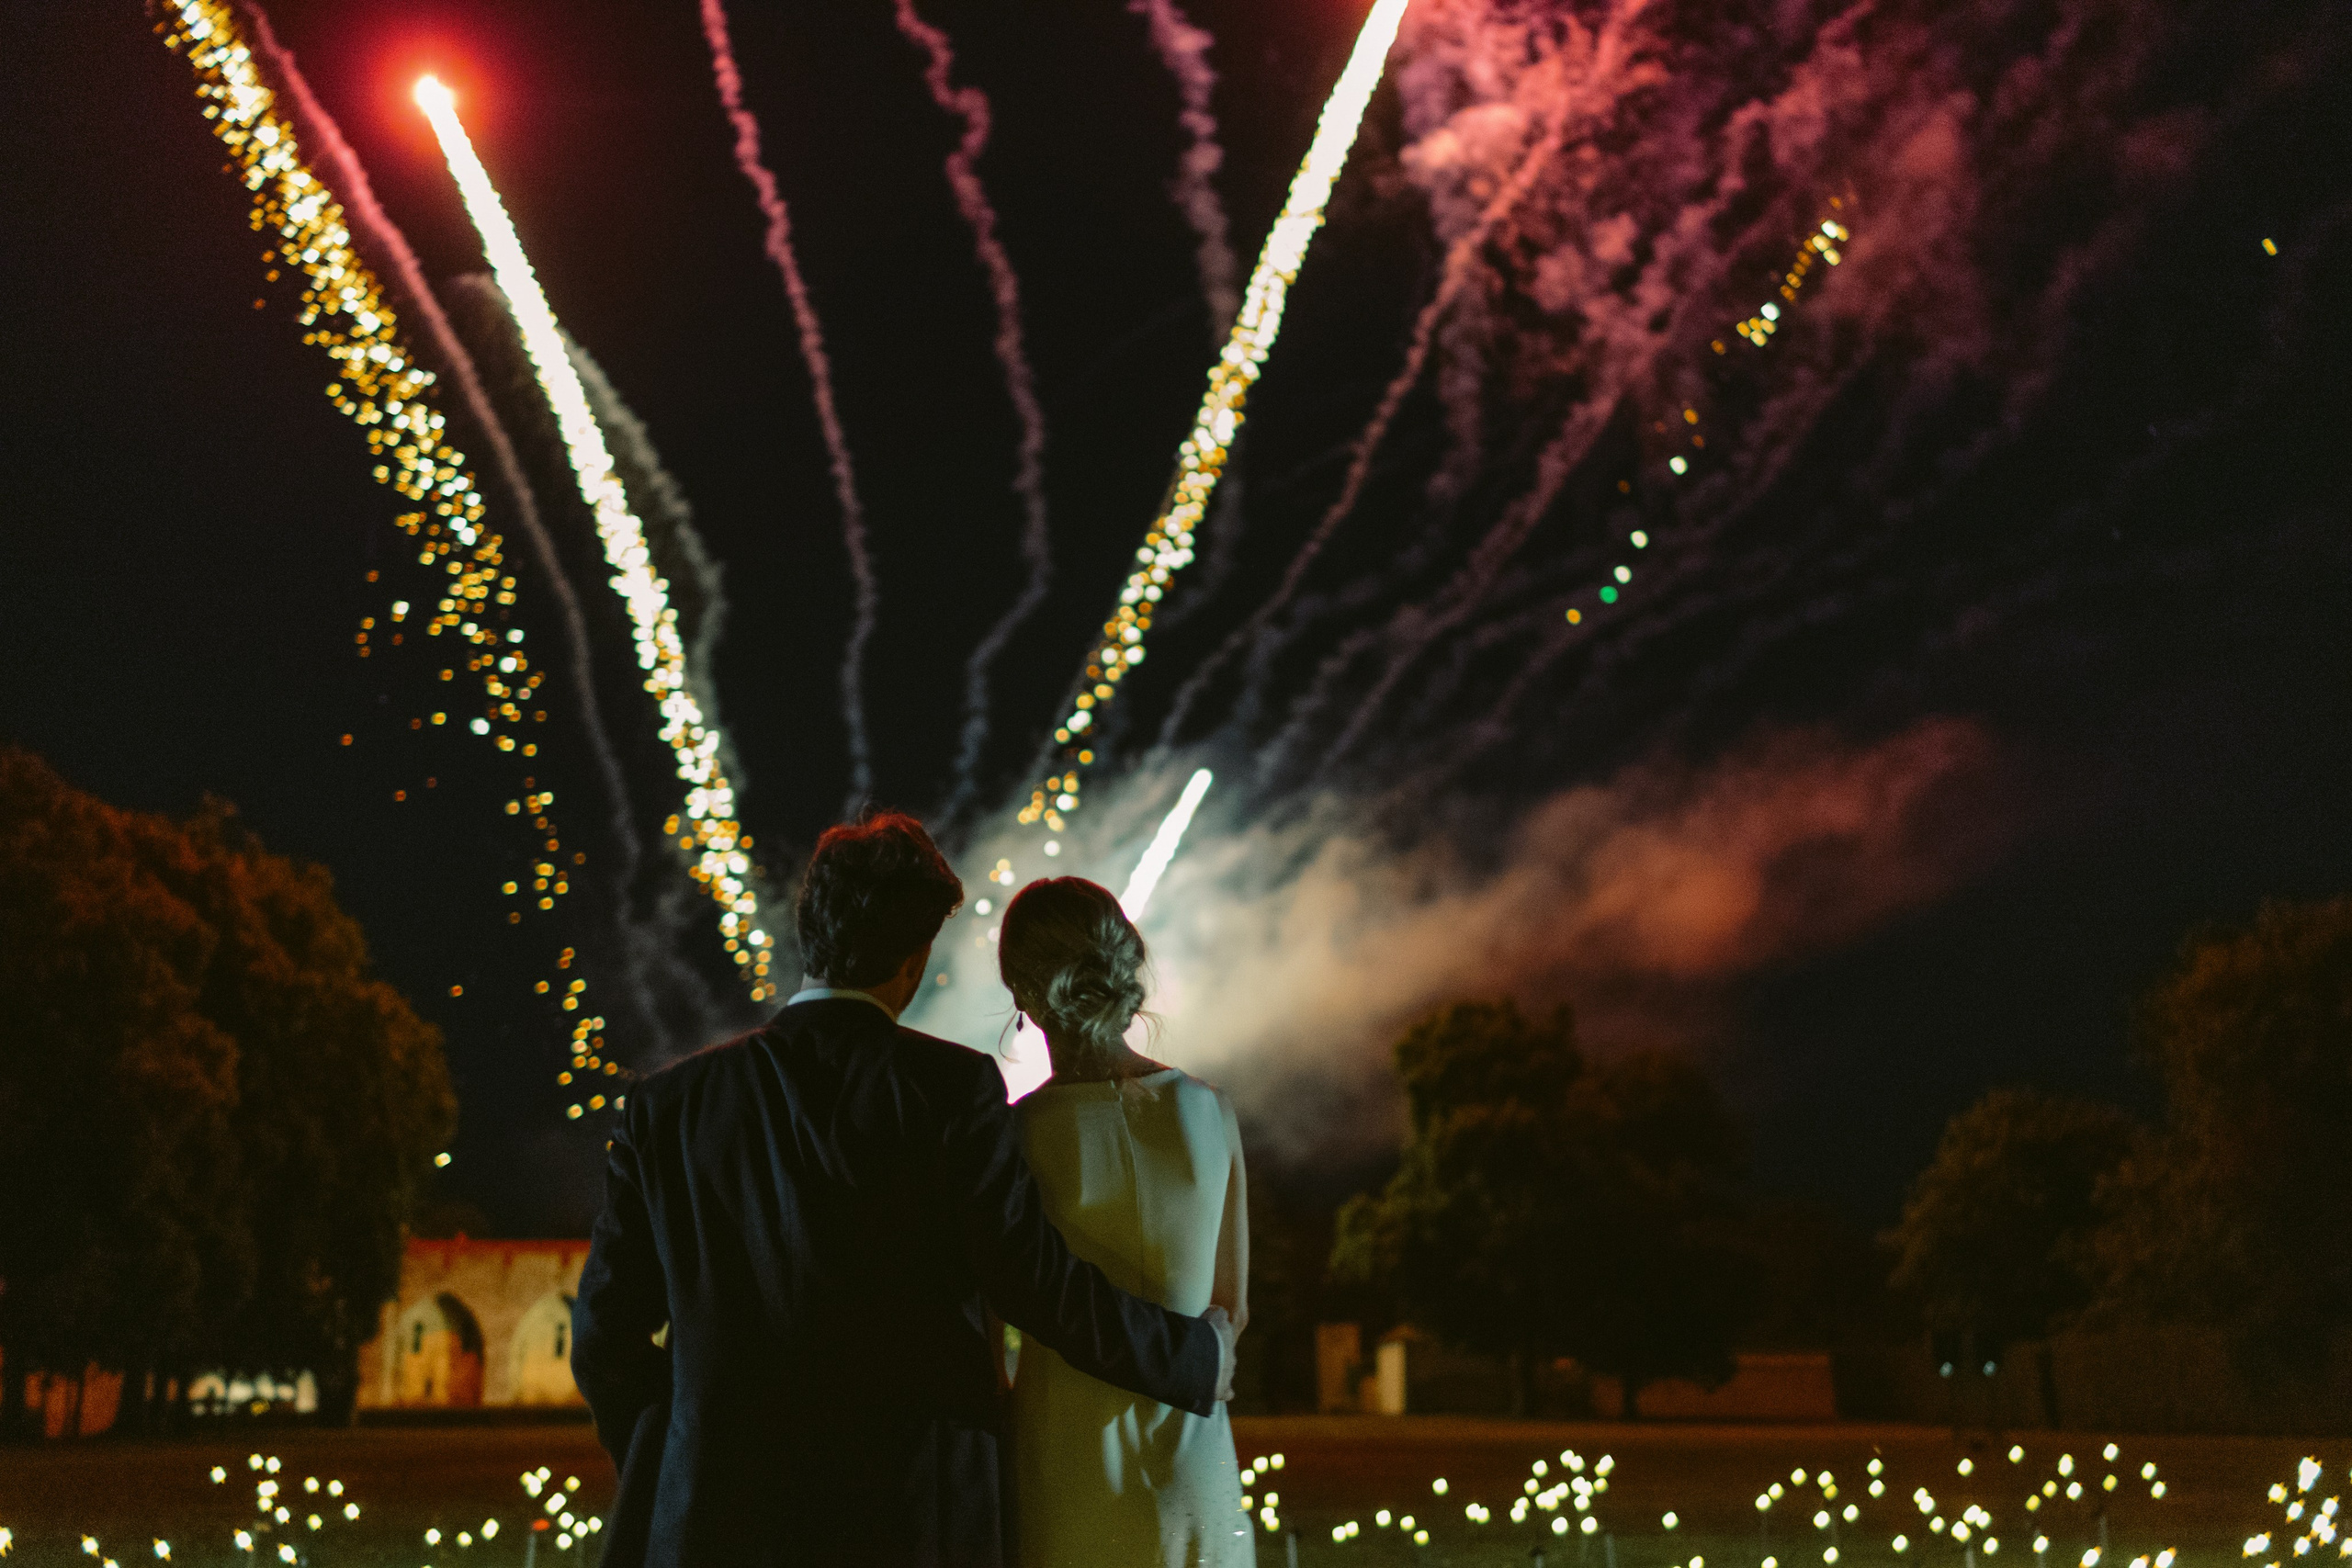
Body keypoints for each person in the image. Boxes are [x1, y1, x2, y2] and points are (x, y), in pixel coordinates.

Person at [571, 813, 1237, 1568]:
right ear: (912, 960)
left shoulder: (668, 1106)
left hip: (716, 1524)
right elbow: (1032, 1281)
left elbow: (604, 1339)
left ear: (808, 931)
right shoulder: (949, 1090)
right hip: (912, 1518)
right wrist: (1190, 1355)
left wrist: (684, 1458)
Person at [995, 877, 1253, 1568]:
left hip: (1065, 1475)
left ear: (1022, 994)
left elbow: (994, 1348)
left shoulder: (1012, 1139)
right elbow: (1231, 1314)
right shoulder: (1211, 1111)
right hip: (1200, 1479)